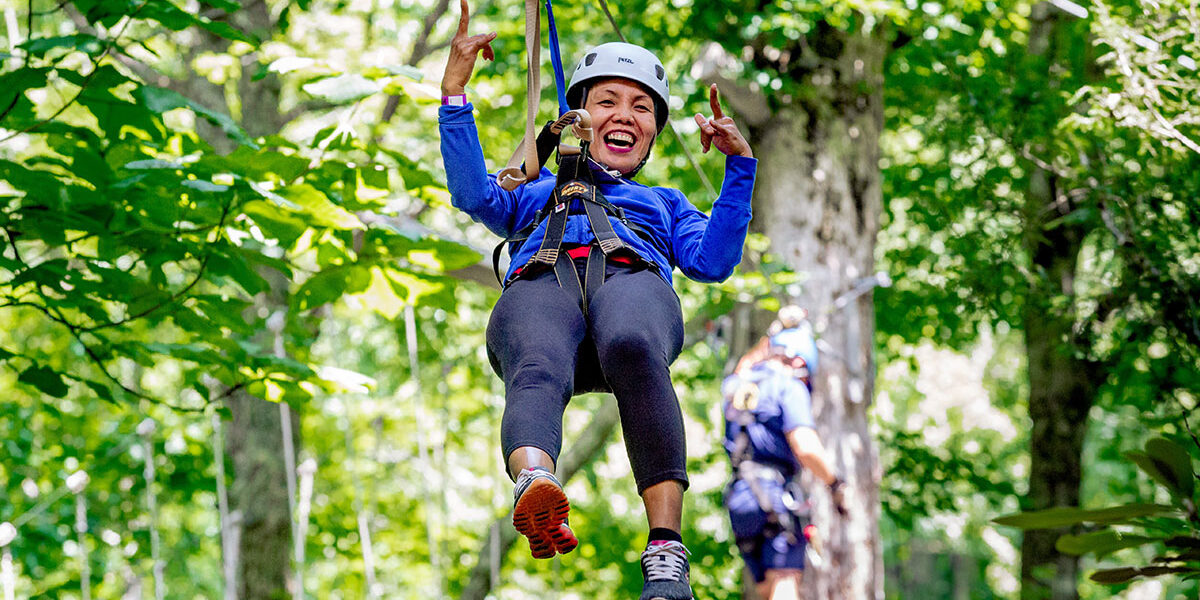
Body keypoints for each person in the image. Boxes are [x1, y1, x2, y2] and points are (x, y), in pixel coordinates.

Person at [438, 1, 756, 598]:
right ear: (578, 117)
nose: (625, 115)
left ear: (653, 134)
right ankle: (534, 479)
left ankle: (666, 551)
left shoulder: (662, 205)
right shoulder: (533, 192)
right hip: (543, 284)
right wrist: (455, 95)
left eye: (641, 108)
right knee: (533, 360)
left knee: (634, 342)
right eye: (607, 101)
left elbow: (712, 262)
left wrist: (738, 167)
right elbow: (471, 194)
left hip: (631, 287)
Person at [722, 307, 845, 600]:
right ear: (801, 361)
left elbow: (745, 365)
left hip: (740, 497)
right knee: (786, 581)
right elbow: (805, 446)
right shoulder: (789, 386)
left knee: (766, 588)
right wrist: (835, 484)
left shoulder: (736, 387)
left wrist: (772, 337)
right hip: (774, 496)